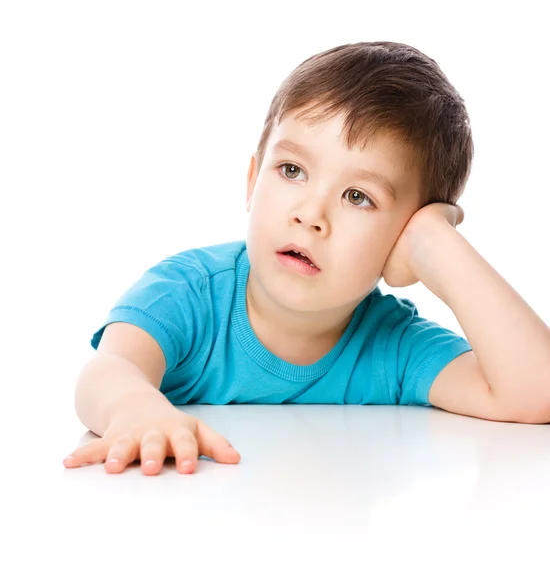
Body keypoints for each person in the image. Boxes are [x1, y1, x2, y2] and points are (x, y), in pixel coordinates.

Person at [64, 41, 550, 477]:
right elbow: (106, 370)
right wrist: (135, 409)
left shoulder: (393, 345)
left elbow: (535, 391)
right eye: (292, 169)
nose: (310, 216)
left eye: (358, 196)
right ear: (253, 180)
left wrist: (436, 245)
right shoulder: (186, 292)